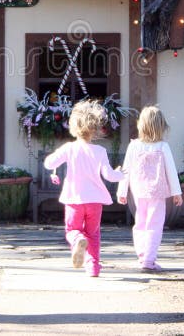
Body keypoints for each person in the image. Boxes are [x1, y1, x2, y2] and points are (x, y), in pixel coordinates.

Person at [43, 99, 125, 277]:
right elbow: (110, 176)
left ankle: (78, 240)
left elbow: (49, 163)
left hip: (74, 199)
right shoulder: (100, 152)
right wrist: (122, 173)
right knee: (93, 234)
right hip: (95, 201)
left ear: (73, 126)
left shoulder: (69, 148)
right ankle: (93, 267)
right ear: (95, 129)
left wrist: (55, 165)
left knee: (72, 230)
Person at [116, 105, 182, 272]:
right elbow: (171, 171)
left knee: (140, 223)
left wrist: (122, 191)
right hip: (157, 192)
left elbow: (126, 169)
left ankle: (142, 256)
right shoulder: (162, 147)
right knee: (155, 225)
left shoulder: (134, 146)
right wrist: (177, 193)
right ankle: (149, 259)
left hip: (139, 192)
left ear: (141, 125)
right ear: (161, 126)